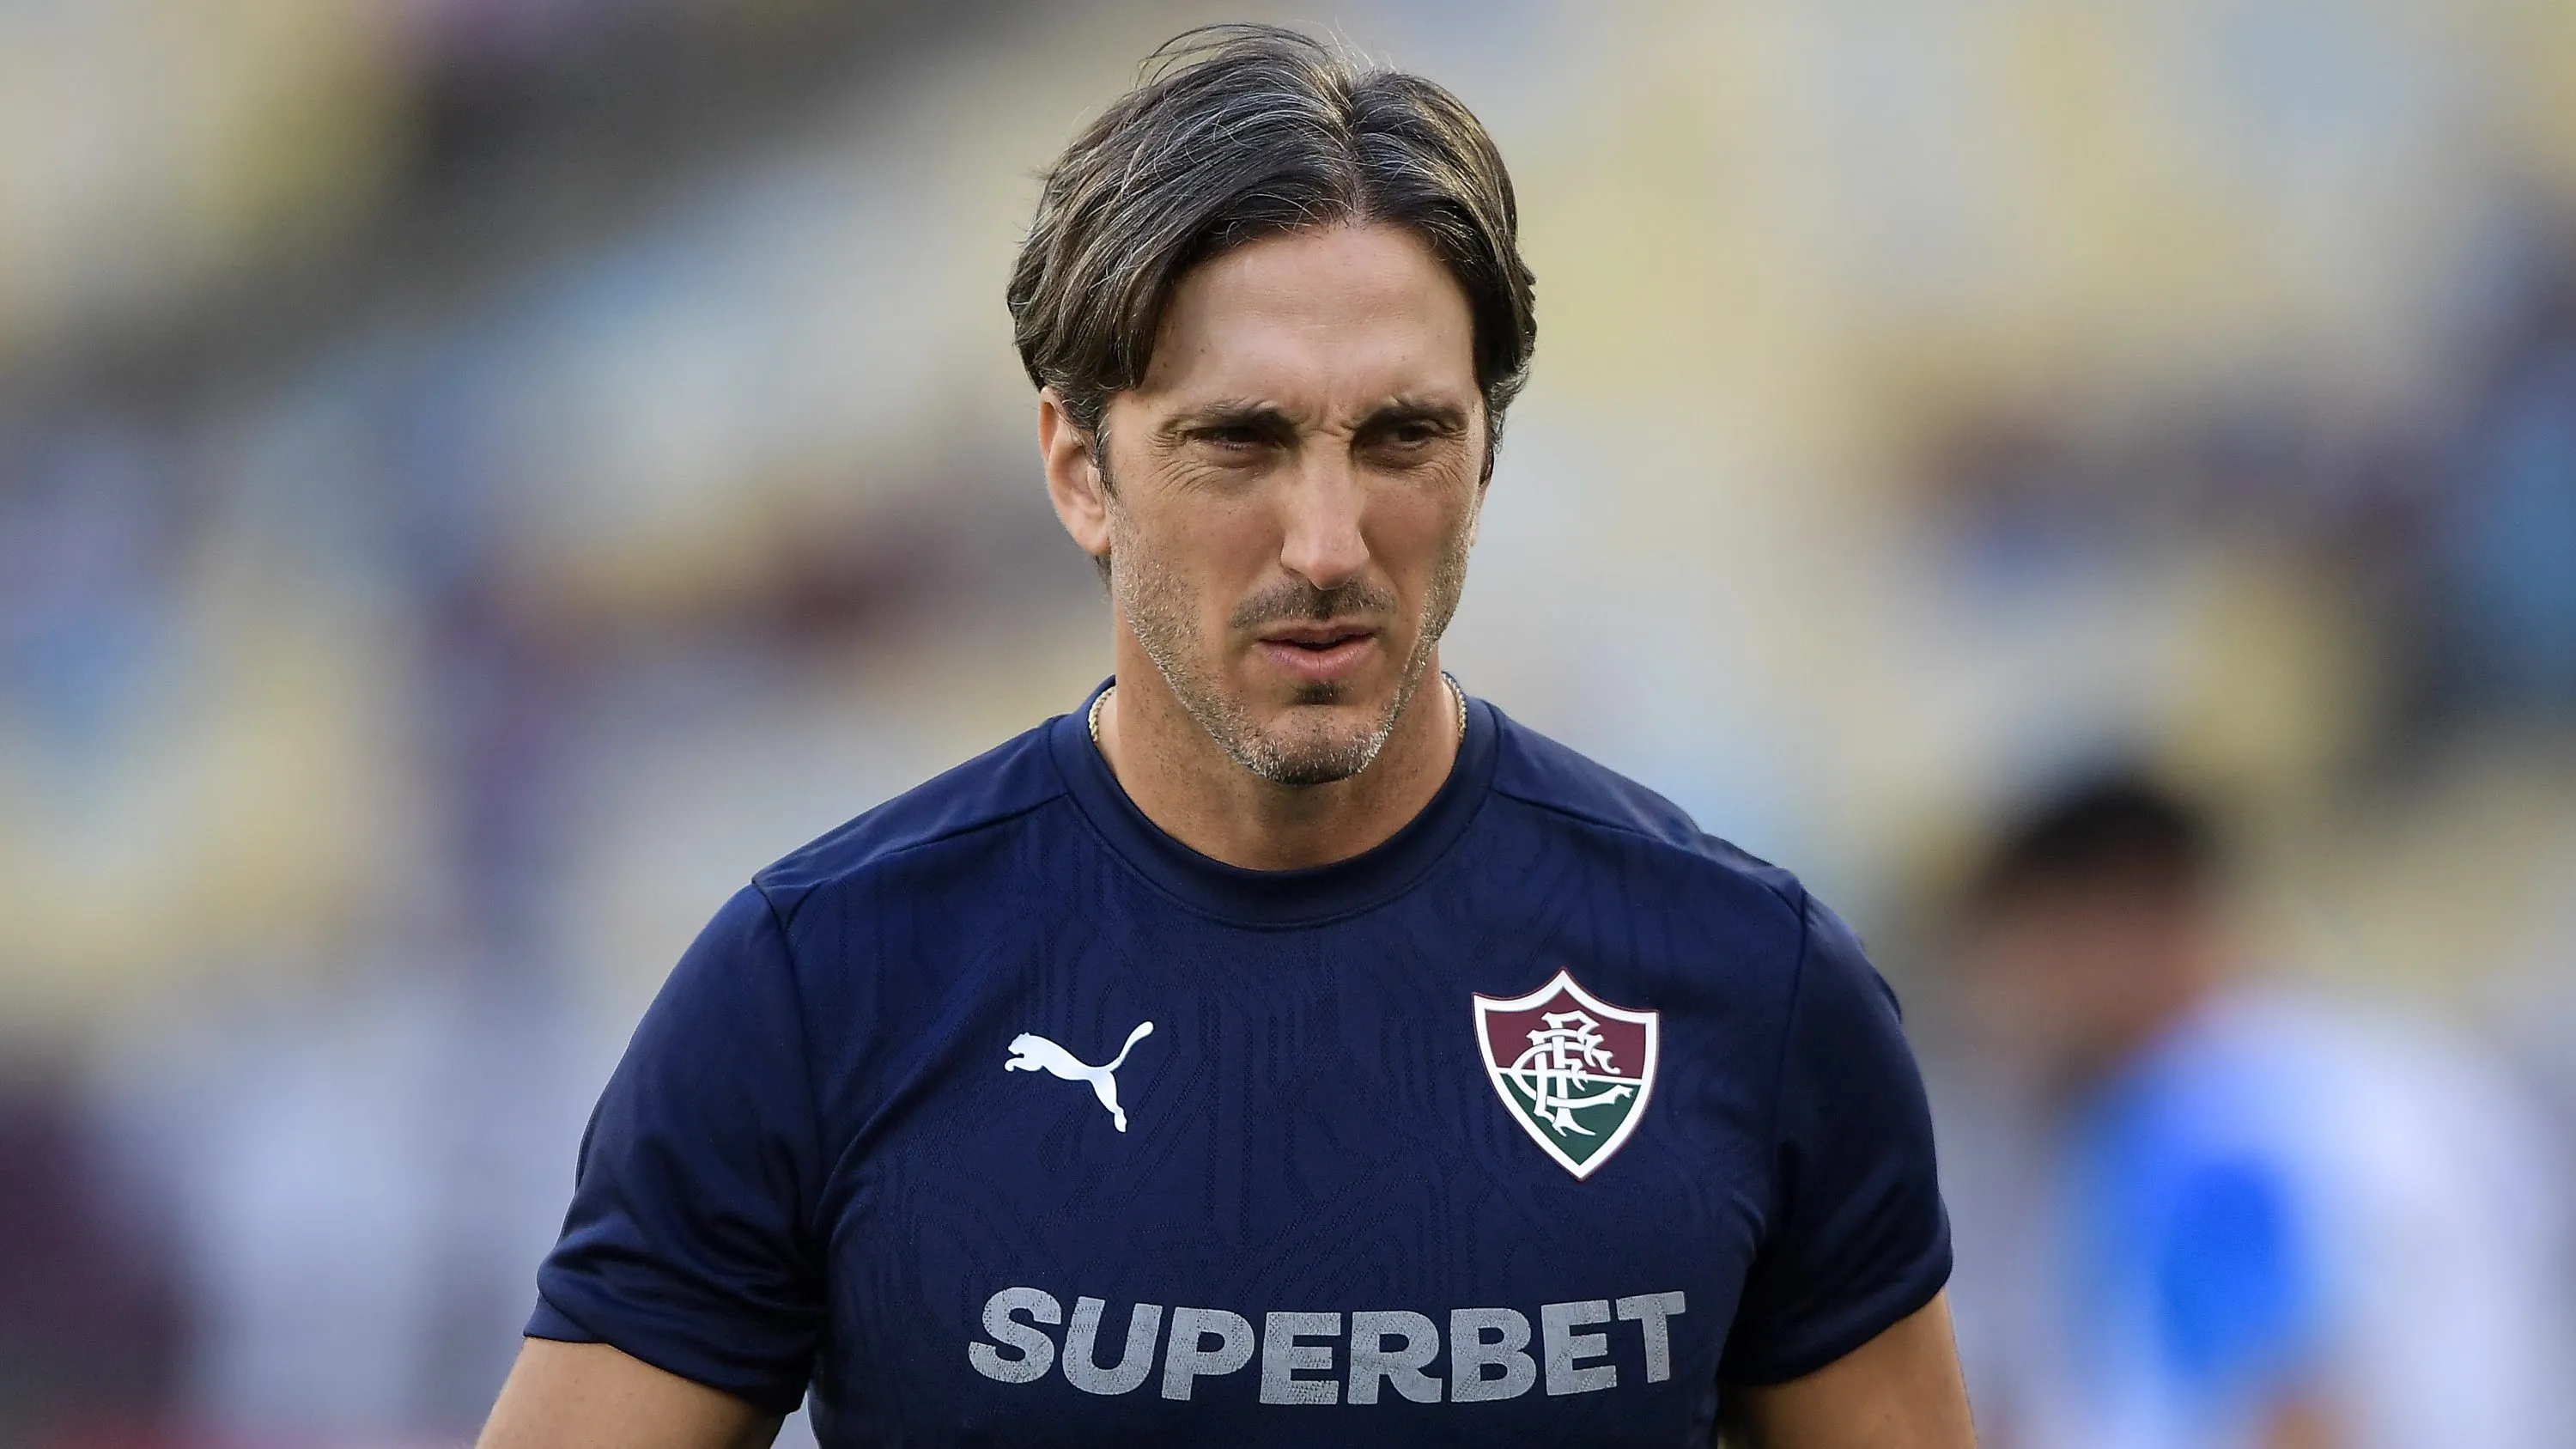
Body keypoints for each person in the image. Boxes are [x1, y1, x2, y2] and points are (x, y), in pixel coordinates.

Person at [475, 25, 1977, 1449]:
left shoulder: (1753, 986)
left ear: (1486, 457)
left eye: (1403, 438)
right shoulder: (822, 985)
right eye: (1238, 442)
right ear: (1081, 471)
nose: (1327, 539)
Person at [1937, 773, 2573, 1449]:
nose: (1997, 998)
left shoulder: (2205, 1126)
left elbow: (2297, 1416)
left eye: (2019, 945)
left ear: (2117, 915)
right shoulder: (2379, 1073)